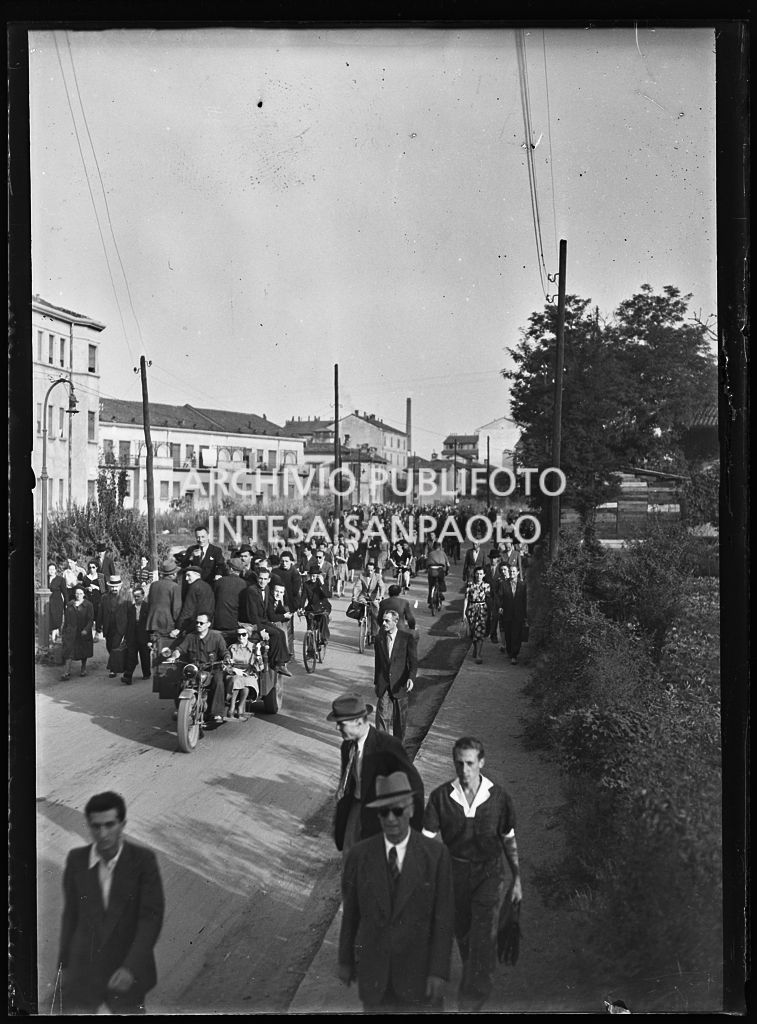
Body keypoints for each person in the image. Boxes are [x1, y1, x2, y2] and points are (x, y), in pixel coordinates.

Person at [338, 772, 455, 1013]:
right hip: (376, 977)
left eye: (398, 811)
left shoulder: (435, 855)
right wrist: (345, 959)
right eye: (384, 812)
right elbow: (351, 912)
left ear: (411, 810)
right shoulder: (361, 856)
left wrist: (438, 971)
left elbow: (444, 918)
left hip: (419, 977)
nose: (391, 819)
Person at [423, 737, 522, 1012]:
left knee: (483, 933)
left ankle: (472, 1001)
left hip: (489, 874)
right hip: (454, 874)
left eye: (469, 763)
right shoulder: (441, 797)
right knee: (463, 933)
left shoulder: (499, 798)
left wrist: (517, 878)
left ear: (481, 763)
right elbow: (427, 841)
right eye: (459, 763)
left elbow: (509, 838)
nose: (464, 769)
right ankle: (473, 967)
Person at [57, 791, 164, 1015]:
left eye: (110, 825)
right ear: (88, 826)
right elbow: (71, 917)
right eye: (96, 826)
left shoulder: (143, 862)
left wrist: (130, 968)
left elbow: (150, 920)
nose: (103, 833)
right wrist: (63, 967)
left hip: (125, 974)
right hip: (83, 974)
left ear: (122, 824)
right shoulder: (77, 860)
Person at [328, 693, 425, 854]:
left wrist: (412, 833)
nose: (337, 728)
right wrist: (340, 821)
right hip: (355, 813)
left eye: (341, 723)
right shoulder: (347, 748)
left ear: (358, 722)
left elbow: (415, 787)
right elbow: (346, 786)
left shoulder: (387, 746)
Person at [163, 612, 228, 724]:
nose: (198, 625)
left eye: (201, 623)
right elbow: (180, 649)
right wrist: (173, 656)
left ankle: (217, 713)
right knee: (180, 681)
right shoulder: (190, 637)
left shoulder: (217, 637)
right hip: (195, 668)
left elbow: (224, 652)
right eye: (197, 622)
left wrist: (227, 659)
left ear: (208, 624)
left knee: (218, 681)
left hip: (211, 669)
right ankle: (180, 709)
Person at [373, 609, 418, 743]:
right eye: (383, 620)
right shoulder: (379, 639)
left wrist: (411, 678)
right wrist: (377, 683)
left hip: (400, 685)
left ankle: (397, 749)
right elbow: (378, 663)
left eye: (387, 620)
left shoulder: (407, 638)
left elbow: (413, 661)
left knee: (400, 722)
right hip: (384, 685)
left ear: (396, 621)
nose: (383, 623)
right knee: (382, 718)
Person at [239, 566, 292, 676]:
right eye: (260, 578)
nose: (262, 581)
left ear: (269, 580)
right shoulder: (251, 591)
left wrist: (283, 613)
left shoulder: (267, 589)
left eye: (265, 579)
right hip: (255, 622)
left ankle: (282, 662)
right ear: (257, 578)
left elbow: (268, 610)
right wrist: (261, 629)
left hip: (263, 620)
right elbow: (252, 615)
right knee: (276, 634)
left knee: (281, 633)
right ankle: (275, 663)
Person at [223, 625, 264, 721]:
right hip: (234, 673)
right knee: (237, 680)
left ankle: (240, 707)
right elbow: (226, 664)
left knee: (246, 683)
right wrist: (233, 670)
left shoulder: (253, 648)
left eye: (243, 634)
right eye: (239, 635)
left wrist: (258, 653)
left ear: (247, 635)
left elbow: (260, 667)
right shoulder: (232, 647)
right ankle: (232, 707)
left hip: (248, 673)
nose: (241, 637)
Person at [145, 558, 182, 651]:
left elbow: (149, 603)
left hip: (153, 625)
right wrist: (180, 627)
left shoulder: (154, 585)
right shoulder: (175, 587)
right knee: (167, 655)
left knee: (156, 652)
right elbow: (176, 610)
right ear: (173, 574)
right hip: (168, 626)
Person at [270, 549, 302, 656]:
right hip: (275, 602)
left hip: (289, 604)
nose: (284, 563)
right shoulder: (275, 572)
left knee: (288, 629)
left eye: (287, 561)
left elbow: (295, 592)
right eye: (282, 561)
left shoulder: (295, 573)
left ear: (291, 562)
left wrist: (292, 608)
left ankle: (290, 652)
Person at [100, 576, 132, 678]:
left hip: (121, 625)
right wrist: (98, 626)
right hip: (108, 626)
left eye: (116, 587)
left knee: (115, 646)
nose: (114, 589)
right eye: (112, 587)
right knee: (109, 646)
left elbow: (130, 612)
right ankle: (119, 663)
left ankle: (113, 669)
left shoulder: (126, 596)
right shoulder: (104, 597)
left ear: (120, 586)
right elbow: (101, 612)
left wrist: (130, 627)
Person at [60, 585, 94, 680]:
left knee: (83, 650)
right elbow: (66, 620)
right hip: (71, 632)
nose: (78, 595)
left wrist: (86, 630)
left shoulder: (88, 605)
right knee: (69, 651)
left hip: (83, 631)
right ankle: (66, 672)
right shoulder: (70, 605)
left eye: (80, 593)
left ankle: (83, 668)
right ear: (74, 594)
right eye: (77, 593)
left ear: (84, 594)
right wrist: (64, 631)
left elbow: (91, 620)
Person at [497, 564, 528, 665]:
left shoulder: (522, 585)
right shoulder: (504, 584)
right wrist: (500, 607)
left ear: (518, 573)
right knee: (508, 634)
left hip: (518, 613)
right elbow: (500, 597)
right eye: (510, 571)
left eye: (514, 571)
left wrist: (525, 615)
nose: (512, 573)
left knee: (517, 634)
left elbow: (524, 600)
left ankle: (514, 654)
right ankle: (510, 651)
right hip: (507, 612)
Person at [212, 557, 248, 641]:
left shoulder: (219, 582)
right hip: (235, 624)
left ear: (231, 569)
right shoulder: (244, 584)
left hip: (218, 623)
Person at [174, 565, 215, 636]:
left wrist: (179, 627)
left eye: (189, 575)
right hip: (207, 623)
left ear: (197, 575)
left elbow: (188, 609)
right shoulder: (207, 586)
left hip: (195, 624)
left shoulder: (194, 587)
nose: (186, 578)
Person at [463, 566, 492, 664]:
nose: (479, 576)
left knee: (480, 631)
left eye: (481, 574)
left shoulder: (486, 586)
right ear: (474, 574)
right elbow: (466, 599)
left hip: (482, 609)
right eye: (477, 574)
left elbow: (489, 599)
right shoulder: (470, 585)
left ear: (484, 575)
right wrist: (464, 613)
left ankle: (479, 655)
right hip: (471, 609)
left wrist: (490, 612)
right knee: (472, 631)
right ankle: (475, 648)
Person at [351, 560, 386, 644]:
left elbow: (382, 586)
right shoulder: (361, 576)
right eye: (368, 570)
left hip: (374, 598)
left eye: (371, 570)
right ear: (365, 569)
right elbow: (357, 587)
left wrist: (381, 596)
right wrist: (354, 596)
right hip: (363, 597)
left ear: (374, 570)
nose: (369, 572)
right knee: (359, 606)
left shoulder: (378, 576)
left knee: (375, 615)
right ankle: (361, 619)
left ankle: (374, 634)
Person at [123, 586, 151, 684]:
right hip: (132, 635)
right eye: (134, 596)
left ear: (143, 596)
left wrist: (151, 638)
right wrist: (126, 637)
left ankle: (146, 673)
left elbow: (150, 623)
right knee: (131, 656)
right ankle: (128, 676)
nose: (136, 598)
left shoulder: (148, 607)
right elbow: (128, 623)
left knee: (145, 656)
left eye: (138, 596)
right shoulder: (131, 608)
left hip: (144, 635)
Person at [300, 563, 333, 644]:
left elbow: (328, 595)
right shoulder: (306, 584)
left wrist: (322, 583)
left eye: (314, 576)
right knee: (310, 625)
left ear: (318, 575)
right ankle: (309, 648)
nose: (312, 578)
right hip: (311, 607)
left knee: (323, 617)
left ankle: (323, 638)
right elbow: (303, 597)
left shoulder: (321, 583)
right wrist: (301, 608)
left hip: (323, 606)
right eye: (311, 575)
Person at [426, 541, 450, 607]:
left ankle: (430, 601)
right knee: (441, 581)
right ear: (440, 547)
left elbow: (427, 564)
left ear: (433, 547)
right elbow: (448, 564)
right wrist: (447, 570)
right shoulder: (443, 553)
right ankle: (440, 593)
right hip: (440, 571)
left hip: (432, 571)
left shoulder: (430, 553)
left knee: (431, 585)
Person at [48, 566, 67, 644]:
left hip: (57, 602)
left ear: (55, 570)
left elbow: (65, 592)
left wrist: (66, 603)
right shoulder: (45, 579)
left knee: (56, 619)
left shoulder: (61, 579)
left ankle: (53, 638)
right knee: (50, 619)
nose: (51, 571)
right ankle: (54, 634)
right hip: (47, 601)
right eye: (50, 569)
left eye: (53, 569)